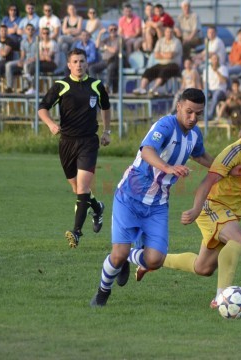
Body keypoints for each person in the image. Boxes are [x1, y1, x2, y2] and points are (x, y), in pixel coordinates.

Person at [90, 88, 223, 307]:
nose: (193, 118)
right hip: (130, 197)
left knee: (155, 260)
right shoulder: (165, 125)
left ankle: (129, 257)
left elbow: (201, 155)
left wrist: (227, 168)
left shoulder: (194, 134)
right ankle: (103, 292)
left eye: (198, 114)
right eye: (189, 112)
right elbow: (147, 151)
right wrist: (167, 168)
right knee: (117, 254)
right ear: (178, 106)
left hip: (158, 205)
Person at [154, 110, 241, 309]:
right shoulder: (232, 153)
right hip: (212, 206)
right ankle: (222, 299)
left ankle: (152, 259)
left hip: (232, 213)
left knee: (203, 268)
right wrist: (195, 209)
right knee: (238, 238)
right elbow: (207, 181)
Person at [37, 48, 111, 248]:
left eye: (82, 61)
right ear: (69, 65)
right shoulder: (61, 85)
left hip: (88, 141)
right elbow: (42, 108)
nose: (79, 65)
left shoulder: (96, 85)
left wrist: (107, 131)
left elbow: (105, 107)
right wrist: (51, 124)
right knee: (77, 189)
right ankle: (97, 208)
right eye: (75, 62)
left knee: (84, 187)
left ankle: (76, 232)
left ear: (87, 64)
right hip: (67, 143)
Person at [132, 27, 182, 96]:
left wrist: (161, 54)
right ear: (165, 33)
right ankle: (142, 88)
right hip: (161, 63)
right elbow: (156, 55)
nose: (169, 34)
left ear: (173, 33)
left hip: (173, 64)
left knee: (164, 71)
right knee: (149, 71)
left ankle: (154, 89)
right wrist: (166, 54)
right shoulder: (160, 41)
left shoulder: (176, 42)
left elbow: (171, 56)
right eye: (167, 32)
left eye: (170, 32)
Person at [23, 27, 57, 94]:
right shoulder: (40, 43)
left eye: (47, 33)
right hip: (42, 62)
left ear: (49, 34)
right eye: (44, 33)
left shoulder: (53, 43)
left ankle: (32, 85)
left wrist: (41, 57)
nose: (46, 35)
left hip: (52, 64)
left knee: (35, 66)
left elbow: (49, 58)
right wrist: (36, 58)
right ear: (41, 34)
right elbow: (38, 56)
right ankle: (31, 87)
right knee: (30, 64)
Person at [5, 23, 37, 94]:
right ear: (25, 31)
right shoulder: (23, 42)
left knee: (26, 65)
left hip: (34, 61)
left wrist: (30, 60)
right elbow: (22, 55)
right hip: (26, 60)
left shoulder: (37, 41)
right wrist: (21, 61)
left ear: (34, 31)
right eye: (28, 29)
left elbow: (38, 55)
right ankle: (9, 87)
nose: (30, 31)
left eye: (32, 29)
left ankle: (26, 87)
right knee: (9, 65)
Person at [89, 25, 120, 94]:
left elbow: (114, 50)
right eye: (111, 29)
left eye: (115, 29)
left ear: (117, 30)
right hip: (105, 61)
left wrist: (105, 47)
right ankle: (96, 86)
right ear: (109, 31)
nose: (113, 31)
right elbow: (97, 45)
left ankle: (107, 87)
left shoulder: (119, 39)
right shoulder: (107, 39)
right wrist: (100, 34)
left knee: (110, 68)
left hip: (114, 60)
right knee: (91, 68)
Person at [202, 53, 228, 118]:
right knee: (203, 94)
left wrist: (216, 71)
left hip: (220, 90)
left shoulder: (223, 68)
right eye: (214, 59)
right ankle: (205, 115)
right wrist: (205, 90)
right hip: (210, 90)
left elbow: (224, 81)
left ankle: (210, 116)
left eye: (216, 59)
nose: (215, 61)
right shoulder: (207, 69)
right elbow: (205, 82)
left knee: (216, 95)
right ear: (211, 60)